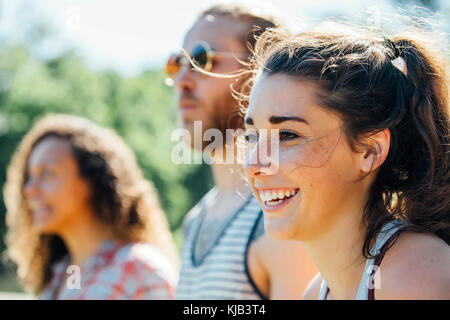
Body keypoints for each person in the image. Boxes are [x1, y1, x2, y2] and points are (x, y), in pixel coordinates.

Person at [244, 21, 450, 299]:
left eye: (287, 135)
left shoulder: (415, 279)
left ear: (369, 151)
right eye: (252, 136)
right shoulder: (317, 292)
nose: (254, 165)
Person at [167, 3, 317, 299]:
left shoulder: (281, 215)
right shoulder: (195, 220)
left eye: (200, 59)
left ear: (261, 74)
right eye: (176, 63)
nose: (182, 81)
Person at [4, 114, 179, 299]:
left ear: (92, 180)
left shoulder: (141, 271)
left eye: (47, 173)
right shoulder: (61, 274)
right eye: (29, 177)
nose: (29, 189)